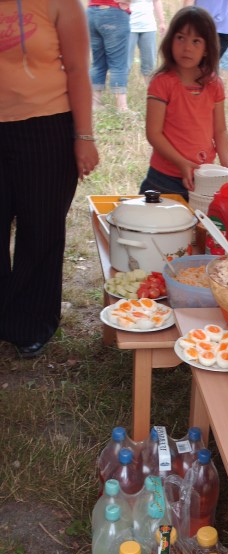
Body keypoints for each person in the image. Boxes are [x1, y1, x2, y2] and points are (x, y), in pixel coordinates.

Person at [0, 0, 99, 358]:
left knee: (40, 230)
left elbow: (77, 68)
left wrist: (84, 137)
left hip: (46, 127)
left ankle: (30, 322)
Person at [139, 5, 228, 200]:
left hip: (203, 177)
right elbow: (153, 133)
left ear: (207, 49)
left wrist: (227, 165)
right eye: (180, 38)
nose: (187, 47)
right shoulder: (162, 82)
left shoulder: (214, 84)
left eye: (196, 41)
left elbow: (220, 131)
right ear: (170, 41)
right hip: (163, 179)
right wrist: (181, 162)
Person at [87, 0, 132, 112]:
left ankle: (94, 104)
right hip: (113, 12)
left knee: (98, 64)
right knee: (118, 64)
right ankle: (122, 108)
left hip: (91, 12)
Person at [128, 0, 166, 87]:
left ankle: (151, 90)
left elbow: (156, 1)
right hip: (129, 26)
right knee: (125, 63)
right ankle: (121, 92)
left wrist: (162, 22)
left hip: (149, 27)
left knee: (149, 64)